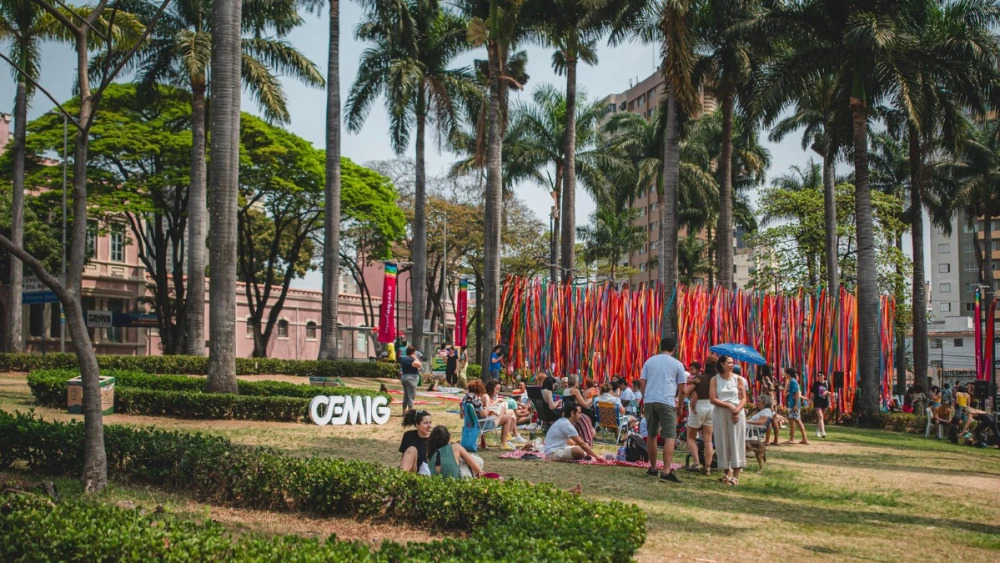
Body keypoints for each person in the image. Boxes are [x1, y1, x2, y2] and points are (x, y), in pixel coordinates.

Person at [639, 336, 687, 483]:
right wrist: (679, 406)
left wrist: (645, 398)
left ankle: (653, 468)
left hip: (650, 400)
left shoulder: (650, 361)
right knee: (670, 436)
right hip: (666, 401)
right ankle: (666, 471)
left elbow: (642, 383)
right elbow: (682, 389)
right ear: (674, 348)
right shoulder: (678, 364)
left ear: (660, 347)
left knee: (652, 435)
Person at [710, 355, 747, 486]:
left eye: (732, 363)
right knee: (722, 441)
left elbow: (743, 398)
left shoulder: (739, 379)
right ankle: (727, 472)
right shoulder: (715, 379)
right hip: (720, 412)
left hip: (736, 413)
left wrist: (736, 409)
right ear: (721, 364)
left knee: (736, 441)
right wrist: (728, 406)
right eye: (729, 363)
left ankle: (736, 475)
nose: (732, 365)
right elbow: (713, 398)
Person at [461, 380, 519, 449]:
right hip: (481, 424)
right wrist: (488, 403)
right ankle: (504, 443)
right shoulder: (475, 399)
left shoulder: (465, 398)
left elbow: (461, 415)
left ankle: (507, 438)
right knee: (508, 417)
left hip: (470, 424)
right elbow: (484, 414)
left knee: (506, 414)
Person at [684, 360, 714, 474]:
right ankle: (708, 467)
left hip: (699, 406)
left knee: (691, 437)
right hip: (712, 407)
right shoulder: (717, 379)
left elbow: (686, 391)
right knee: (708, 440)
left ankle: (696, 463)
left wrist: (692, 394)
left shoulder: (700, 377)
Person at [399, 409, 432, 475]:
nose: (429, 426)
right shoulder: (408, 436)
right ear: (417, 425)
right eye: (425, 423)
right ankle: (400, 479)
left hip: (428, 473)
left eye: (430, 422)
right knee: (412, 450)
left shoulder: (434, 438)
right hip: (413, 472)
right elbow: (404, 459)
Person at [784, 368, 809, 445]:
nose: (784, 375)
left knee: (794, 421)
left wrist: (795, 405)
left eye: (785, 373)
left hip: (793, 405)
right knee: (796, 420)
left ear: (788, 374)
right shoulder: (792, 381)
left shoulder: (793, 382)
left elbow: (797, 393)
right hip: (793, 404)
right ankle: (803, 439)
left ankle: (793, 439)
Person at [400, 347, 422, 413]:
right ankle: (410, 412)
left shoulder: (403, 359)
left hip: (404, 377)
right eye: (415, 352)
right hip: (411, 379)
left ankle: (404, 412)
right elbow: (419, 365)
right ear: (412, 352)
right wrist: (415, 357)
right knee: (411, 396)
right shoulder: (412, 360)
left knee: (406, 395)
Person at [811, 372, 830, 438]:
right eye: (818, 376)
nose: (819, 376)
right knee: (820, 416)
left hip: (825, 402)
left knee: (821, 418)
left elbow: (830, 392)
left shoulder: (827, 383)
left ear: (824, 376)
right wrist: (810, 401)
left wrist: (827, 392)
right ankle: (823, 432)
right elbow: (812, 393)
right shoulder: (815, 384)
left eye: (821, 375)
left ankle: (817, 431)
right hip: (817, 402)